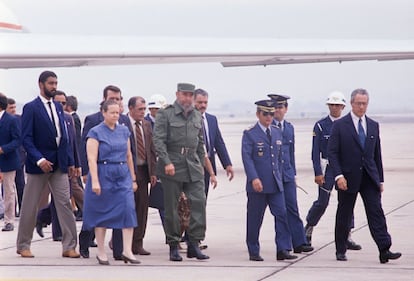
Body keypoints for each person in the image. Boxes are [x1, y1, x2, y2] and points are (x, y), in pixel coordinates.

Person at [328, 88, 401, 263]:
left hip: (369, 177)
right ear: (352, 104)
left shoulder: (373, 125)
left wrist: (380, 179)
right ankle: (340, 249)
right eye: (359, 103)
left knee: (376, 212)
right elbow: (332, 153)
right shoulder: (339, 125)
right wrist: (338, 176)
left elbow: (377, 155)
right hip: (347, 178)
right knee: (344, 214)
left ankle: (384, 249)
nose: (362, 107)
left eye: (364, 103)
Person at [16, 70, 79, 258]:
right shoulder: (31, 108)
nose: (54, 86)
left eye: (56, 83)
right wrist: (39, 159)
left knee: (65, 204)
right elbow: (25, 138)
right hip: (39, 165)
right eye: (51, 83)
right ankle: (23, 244)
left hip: (59, 164)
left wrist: (70, 161)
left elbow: (64, 137)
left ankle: (69, 246)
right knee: (30, 205)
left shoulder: (59, 107)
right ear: (41, 84)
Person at [153, 82, 209, 262]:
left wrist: (201, 163)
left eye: (190, 95)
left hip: (192, 165)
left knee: (198, 203)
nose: (187, 98)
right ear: (177, 94)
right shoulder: (165, 114)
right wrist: (167, 162)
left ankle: (194, 243)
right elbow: (158, 140)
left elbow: (200, 142)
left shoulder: (196, 116)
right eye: (184, 94)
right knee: (172, 208)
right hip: (172, 165)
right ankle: (174, 245)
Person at [82, 99, 139, 265]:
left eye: (118, 112)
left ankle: (127, 250)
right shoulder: (95, 132)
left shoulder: (124, 131)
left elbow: (129, 155)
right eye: (112, 112)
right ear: (104, 113)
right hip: (103, 172)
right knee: (102, 213)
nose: (116, 115)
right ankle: (101, 252)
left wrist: (133, 177)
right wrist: (95, 181)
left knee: (128, 209)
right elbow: (91, 159)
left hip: (122, 174)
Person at [305, 91, 361, 250]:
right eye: (332, 105)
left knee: (347, 202)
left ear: (343, 106)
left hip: (346, 168)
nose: (334, 108)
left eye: (338, 105)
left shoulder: (349, 124)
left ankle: (347, 236)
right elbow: (315, 151)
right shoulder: (321, 125)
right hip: (328, 168)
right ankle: (308, 229)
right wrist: (317, 172)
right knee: (322, 201)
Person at [242, 99, 297, 261]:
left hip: (275, 184)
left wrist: (283, 176)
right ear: (258, 114)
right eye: (265, 114)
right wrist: (254, 178)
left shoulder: (277, 131)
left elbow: (280, 158)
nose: (269, 117)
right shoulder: (250, 133)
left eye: (271, 114)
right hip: (258, 185)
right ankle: (253, 250)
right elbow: (247, 158)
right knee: (255, 219)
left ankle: (283, 249)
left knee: (282, 214)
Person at [268, 94, 313, 254]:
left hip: (287, 174)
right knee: (281, 211)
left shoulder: (289, 128)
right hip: (274, 175)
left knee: (292, 207)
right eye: (275, 107)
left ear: (286, 109)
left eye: (280, 107)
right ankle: (285, 245)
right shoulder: (269, 127)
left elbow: (291, 152)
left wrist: (293, 173)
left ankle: (299, 242)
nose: (277, 110)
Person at [35, 91, 82, 241]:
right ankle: (58, 232)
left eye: (63, 103)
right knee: (59, 199)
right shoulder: (45, 118)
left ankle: (42, 217)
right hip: (48, 164)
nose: (61, 106)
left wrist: (76, 163)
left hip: (65, 164)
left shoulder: (68, 119)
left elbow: (73, 143)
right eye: (58, 103)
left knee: (63, 198)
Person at [127, 96, 157, 255]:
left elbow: (152, 149)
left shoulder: (146, 125)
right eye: (140, 109)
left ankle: (138, 243)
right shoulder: (123, 123)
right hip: (128, 172)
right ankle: (121, 241)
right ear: (130, 109)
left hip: (144, 171)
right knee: (128, 207)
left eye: (144, 109)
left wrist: (153, 172)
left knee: (142, 208)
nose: (142, 112)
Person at [193, 88, 234, 197]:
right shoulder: (187, 119)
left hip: (208, 166)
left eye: (205, 102)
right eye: (200, 102)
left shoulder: (212, 120)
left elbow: (219, 143)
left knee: (203, 200)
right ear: (193, 102)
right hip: (192, 167)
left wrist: (227, 164)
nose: (203, 105)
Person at [0, 94, 21, 232]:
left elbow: (17, 140)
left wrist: (3, 149)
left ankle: (9, 220)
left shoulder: (11, 120)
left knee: (9, 190)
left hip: (7, 159)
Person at [6, 98, 26, 217]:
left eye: (14, 107)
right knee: (8, 186)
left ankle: (23, 208)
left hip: (19, 155)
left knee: (20, 183)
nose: (13, 110)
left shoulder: (20, 119)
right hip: (7, 156)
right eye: (11, 108)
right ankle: (10, 211)